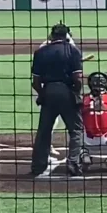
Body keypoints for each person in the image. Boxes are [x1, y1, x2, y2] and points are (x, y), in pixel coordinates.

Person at [30, 23, 85, 177]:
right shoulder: (73, 51)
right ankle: (73, 163)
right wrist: (75, 92)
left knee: (44, 131)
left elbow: (35, 82)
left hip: (48, 91)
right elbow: (78, 78)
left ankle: (38, 166)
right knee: (76, 130)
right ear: (67, 35)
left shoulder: (40, 52)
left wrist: (43, 94)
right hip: (66, 91)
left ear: (52, 36)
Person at [36, 27, 77, 157]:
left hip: (45, 87)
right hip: (59, 87)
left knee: (47, 122)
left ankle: (40, 158)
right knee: (74, 126)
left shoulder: (43, 49)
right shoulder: (67, 46)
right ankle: (76, 159)